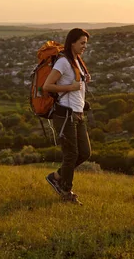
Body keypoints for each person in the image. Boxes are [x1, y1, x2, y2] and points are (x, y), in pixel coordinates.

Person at [43, 28, 91, 204]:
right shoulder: (63, 62)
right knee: (71, 155)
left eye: (86, 43)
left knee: (85, 153)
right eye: (82, 43)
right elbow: (47, 86)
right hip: (65, 114)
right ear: (72, 42)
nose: (85, 46)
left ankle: (55, 176)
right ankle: (66, 191)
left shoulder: (76, 61)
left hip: (78, 113)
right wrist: (69, 88)